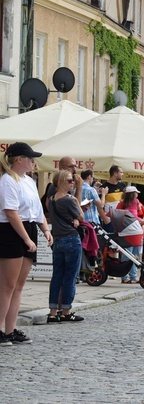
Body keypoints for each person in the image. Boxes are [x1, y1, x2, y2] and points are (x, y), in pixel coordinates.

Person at [0, 143, 53, 345]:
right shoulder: (7, 180)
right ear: (19, 159)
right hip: (11, 232)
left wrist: (45, 230)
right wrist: (26, 239)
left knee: (18, 286)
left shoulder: (29, 181)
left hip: (28, 227)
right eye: (30, 158)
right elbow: (10, 212)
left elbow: (37, 210)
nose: (33, 161)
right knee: (7, 285)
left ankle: (10, 330)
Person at [46, 170, 85, 323]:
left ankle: (53, 312)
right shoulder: (70, 200)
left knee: (57, 276)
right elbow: (81, 216)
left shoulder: (51, 199)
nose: (72, 183)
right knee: (70, 277)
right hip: (71, 239)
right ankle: (67, 311)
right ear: (61, 182)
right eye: (69, 181)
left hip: (58, 240)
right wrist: (76, 200)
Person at [117, 186, 144, 283]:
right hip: (134, 229)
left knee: (129, 254)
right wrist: (142, 220)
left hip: (130, 229)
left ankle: (127, 276)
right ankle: (131, 276)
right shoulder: (135, 202)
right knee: (134, 255)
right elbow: (142, 211)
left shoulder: (122, 203)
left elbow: (117, 214)